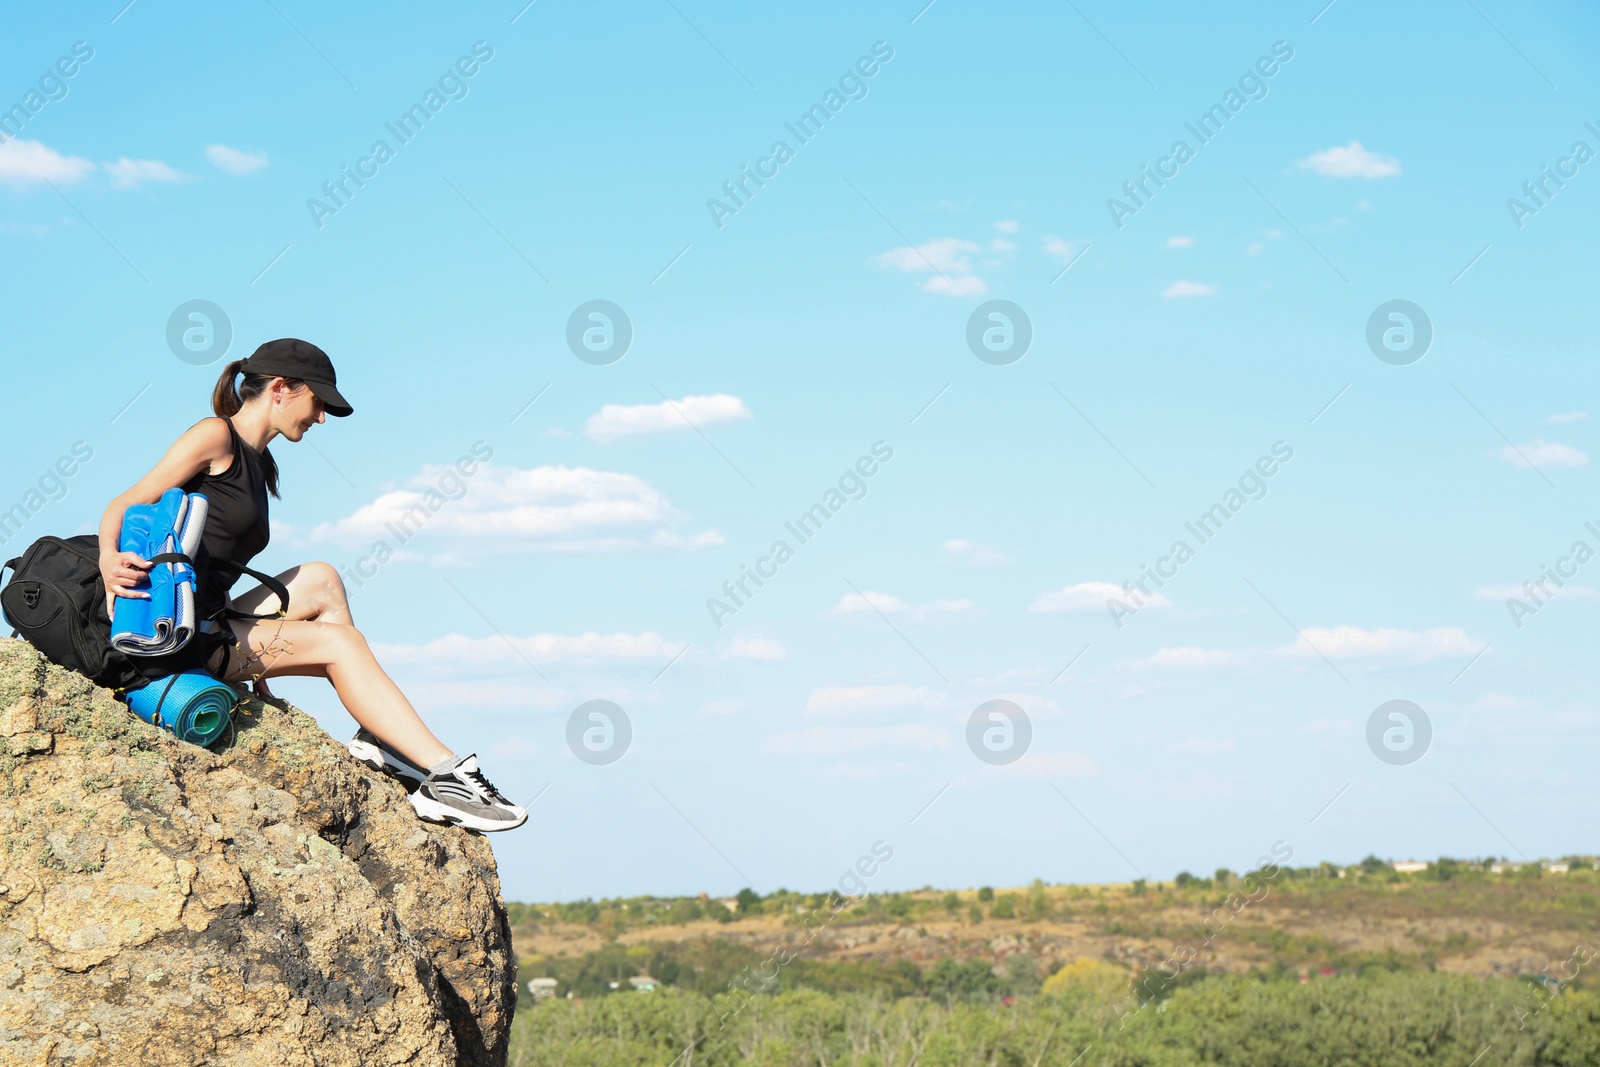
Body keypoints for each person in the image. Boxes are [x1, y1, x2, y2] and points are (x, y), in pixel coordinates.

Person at [96, 338, 526, 833]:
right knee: (342, 645)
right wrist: (110, 559)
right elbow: (127, 502)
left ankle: (379, 736)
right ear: (280, 389)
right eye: (318, 402)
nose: (321, 417)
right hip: (183, 636)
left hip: (210, 614)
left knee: (321, 577)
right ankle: (445, 776)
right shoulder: (216, 436)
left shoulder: (260, 461)